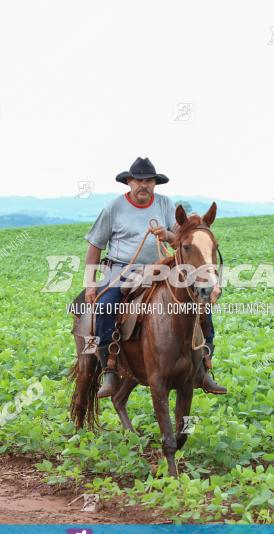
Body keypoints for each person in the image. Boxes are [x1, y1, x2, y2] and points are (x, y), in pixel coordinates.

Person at [84, 156, 227, 397]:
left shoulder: (165, 204)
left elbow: (183, 240)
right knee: (106, 305)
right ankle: (109, 369)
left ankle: (203, 366)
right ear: (129, 182)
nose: (143, 185)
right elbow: (95, 246)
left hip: (161, 267)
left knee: (199, 300)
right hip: (122, 269)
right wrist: (90, 283)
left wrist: (168, 236)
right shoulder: (113, 208)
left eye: (149, 180)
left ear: (155, 184)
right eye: (138, 180)